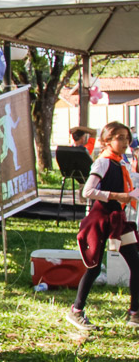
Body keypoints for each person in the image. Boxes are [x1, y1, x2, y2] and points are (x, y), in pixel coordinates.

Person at [66, 122, 139, 334]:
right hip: (100, 219)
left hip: (118, 218)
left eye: (127, 138)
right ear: (107, 141)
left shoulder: (120, 163)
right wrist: (116, 196)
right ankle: (76, 310)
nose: (125, 142)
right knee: (94, 267)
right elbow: (87, 191)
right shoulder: (103, 163)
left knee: (135, 262)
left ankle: (134, 313)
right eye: (120, 138)